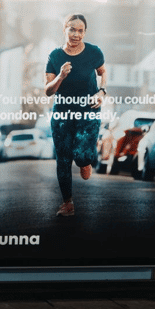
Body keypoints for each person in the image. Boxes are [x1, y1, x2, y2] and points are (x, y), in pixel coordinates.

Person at [44, 13, 107, 217]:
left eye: (80, 31)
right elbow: (48, 90)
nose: (76, 34)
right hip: (62, 114)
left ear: (85, 33)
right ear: (64, 30)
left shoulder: (94, 52)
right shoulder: (55, 56)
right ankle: (67, 203)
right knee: (63, 159)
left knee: (80, 155)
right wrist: (61, 76)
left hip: (88, 110)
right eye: (72, 29)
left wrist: (102, 92)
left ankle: (85, 160)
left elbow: (102, 72)